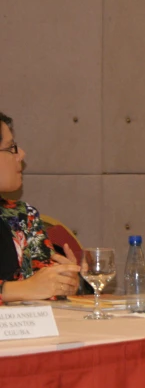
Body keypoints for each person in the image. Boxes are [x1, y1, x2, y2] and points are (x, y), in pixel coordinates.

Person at [0, 112, 81, 304]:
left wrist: (65, 283)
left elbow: (45, 286)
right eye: (11, 148)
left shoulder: (23, 217)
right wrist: (18, 289)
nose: (22, 154)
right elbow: (31, 288)